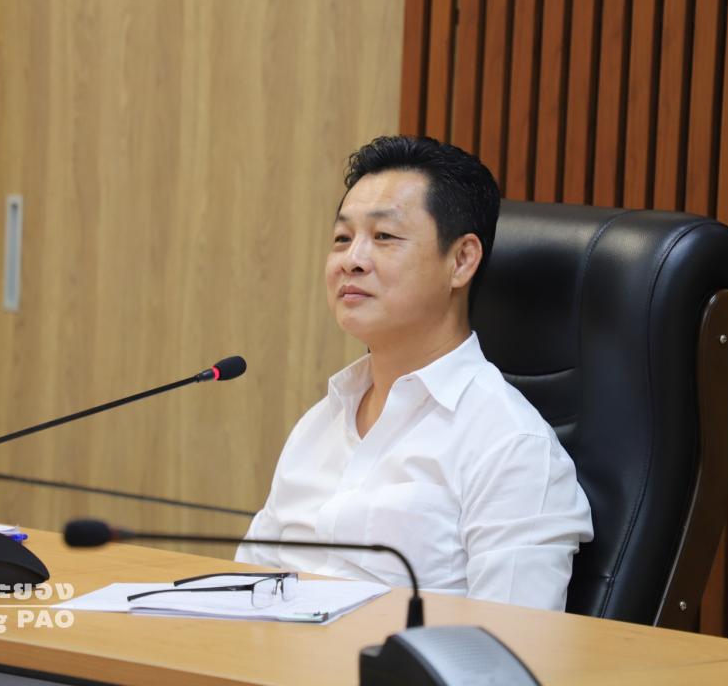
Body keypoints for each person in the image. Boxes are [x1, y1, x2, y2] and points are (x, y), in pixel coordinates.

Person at [236, 135, 592, 610]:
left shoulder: (511, 447)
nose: (352, 260)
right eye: (342, 238)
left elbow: (507, 645)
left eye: (384, 237)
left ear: (461, 261)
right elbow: (243, 596)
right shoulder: (318, 425)